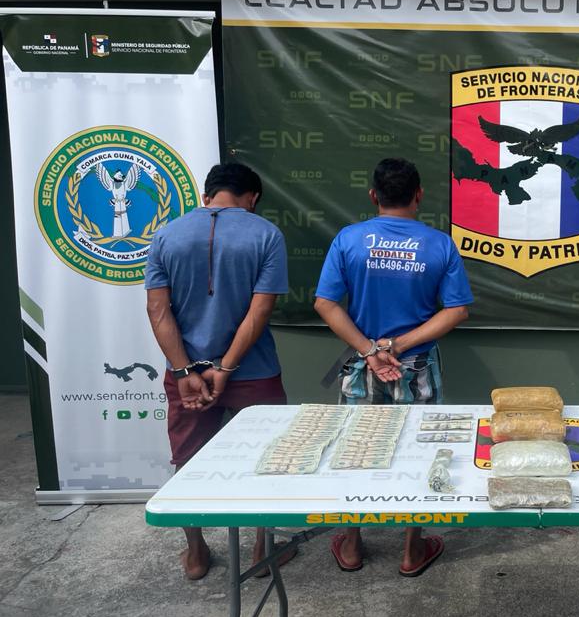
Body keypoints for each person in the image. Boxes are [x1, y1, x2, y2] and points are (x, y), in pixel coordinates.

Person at [314, 157, 472, 577]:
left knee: (353, 452)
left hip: (362, 365)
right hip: (415, 365)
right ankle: (412, 549)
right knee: (419, 453)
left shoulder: (349, 240)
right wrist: (398, 344)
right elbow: (456, 311)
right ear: (419, 195)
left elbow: (325, 303)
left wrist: (370, 348)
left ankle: (350, 544)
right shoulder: (439, 244)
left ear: (373, 196)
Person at [145, 162, 294, 580]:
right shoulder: (266, 234)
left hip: (187, 376)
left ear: (206, 195)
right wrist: (226, 368)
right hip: (254, 370)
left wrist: (183, 370)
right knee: (269, 459)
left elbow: (158, 309)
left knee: (186, 460)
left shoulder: (165, 235)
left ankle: (196, 554)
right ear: (253, 198)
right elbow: (260, 310)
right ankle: (262, 551)